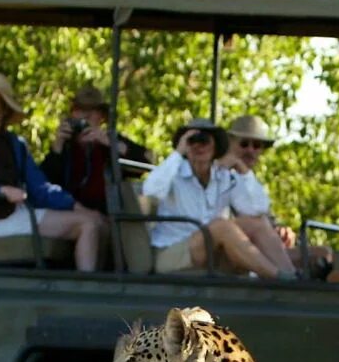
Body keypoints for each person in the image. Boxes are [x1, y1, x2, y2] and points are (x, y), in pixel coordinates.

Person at [0, 71, 106, 271]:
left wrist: (74, 205)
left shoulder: (15, 144)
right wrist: (2, 191)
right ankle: (87, 292)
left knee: (93, 220)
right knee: (87, 225)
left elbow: (40, 187)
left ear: (4, 110)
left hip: (19, 213)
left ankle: (95, 284)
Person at [141, 117, 296, 279]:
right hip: (172, 252)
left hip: (210, 250)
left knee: (257, 222)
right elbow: (151, 191)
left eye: (204, 141)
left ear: (215, 147)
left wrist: (242, 170)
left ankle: (293, 277)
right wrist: (178, 152)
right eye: (192, 141)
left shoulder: (224, 176)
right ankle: (277, 277)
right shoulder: (173, 172)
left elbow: (257, 208)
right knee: (221, 227)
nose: (198, 146)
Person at [39, 84, 154, 215]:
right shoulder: (65, 145)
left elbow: (146, 163)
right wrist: (57, 147)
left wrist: (110, 143)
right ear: (72, 114)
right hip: (69, 213)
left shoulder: (110, 141)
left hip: (107, 215)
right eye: (80, 110)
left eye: (92, 111)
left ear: (102, 116)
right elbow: (43, 184)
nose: (85, 116)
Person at [219, 114, 300, 268]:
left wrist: (281, 231)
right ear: (229, 143)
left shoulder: (249, 179)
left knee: (323, 255)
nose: (250, 150)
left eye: (256, 146)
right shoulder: (219, 173)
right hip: (231, 250)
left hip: (256, 249)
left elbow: (264, 216)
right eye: (244, 144)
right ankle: (291, 282)